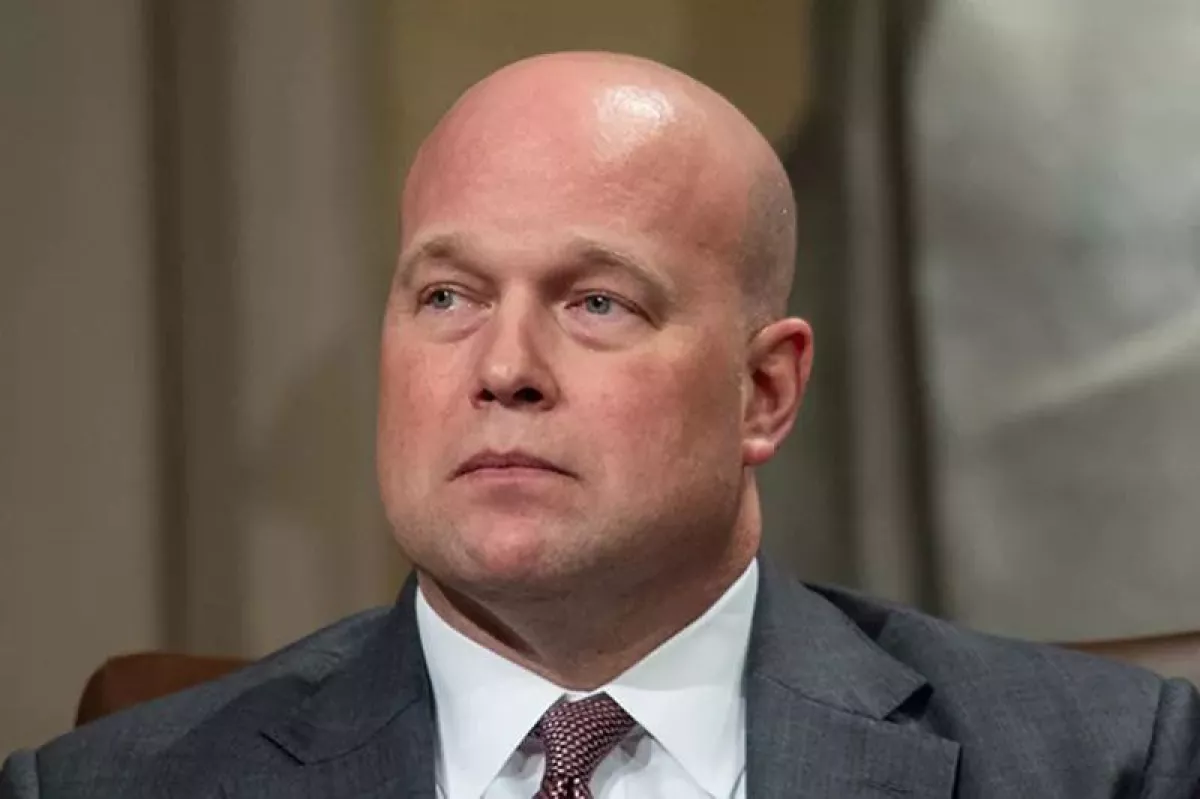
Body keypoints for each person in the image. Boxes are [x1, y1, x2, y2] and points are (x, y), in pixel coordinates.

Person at [3, 51, 1198, 799]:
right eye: (447, 296)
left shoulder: (1113, 765)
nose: (503, 369)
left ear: (765, 391)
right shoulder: (108, 788)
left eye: (596, 302)